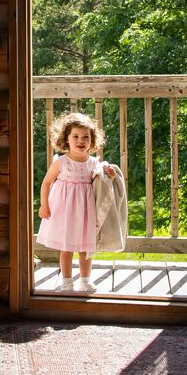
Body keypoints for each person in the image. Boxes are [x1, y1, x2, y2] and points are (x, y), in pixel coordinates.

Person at [37, 109, 120, 293]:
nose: (81, 141)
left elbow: (102, 179)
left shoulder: (93, 163)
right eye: (75, 136)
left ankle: (85, 280)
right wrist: (44, 205)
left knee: (85, 247)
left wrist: (110, 174)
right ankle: (66, 281)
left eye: (85, 137)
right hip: (64, 210)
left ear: (92, 141)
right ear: (66, 139)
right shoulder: (61, 162)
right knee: (66, 248)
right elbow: (47, 182)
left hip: (85, 211)